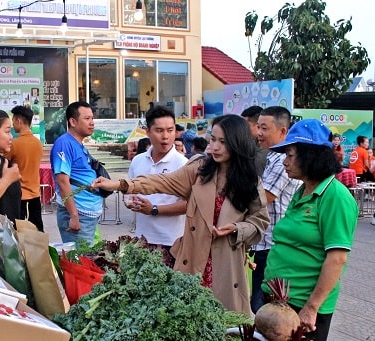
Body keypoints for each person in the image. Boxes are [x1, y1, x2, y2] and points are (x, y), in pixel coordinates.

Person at [92, 114, 269, 315]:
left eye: (223, 142)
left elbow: (260, 219)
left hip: (227, 263)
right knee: (187, 316)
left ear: (238, 143)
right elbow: (161, 182)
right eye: (213, 140)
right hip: (193, 259)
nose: (215, 147)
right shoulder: (199, 170)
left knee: (224, 324)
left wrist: (237, 229)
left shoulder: (249, 181)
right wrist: (120, 185)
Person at [263, 119, 358, 341]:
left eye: (291, 155)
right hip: (280, 303)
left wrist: (311, 307)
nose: (285, 161)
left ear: (312, 156)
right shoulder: (302, 191)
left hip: (302, 308)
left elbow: (337, 259)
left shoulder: (335, 197)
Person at [250, 106, 302, 313]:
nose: (259, 133)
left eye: (264, 128)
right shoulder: (271, 158)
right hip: (262, 243)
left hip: (272, 245)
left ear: (282, 131)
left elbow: (264, 197)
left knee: (263, 308)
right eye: (258, 127)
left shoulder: (282, 162)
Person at [126, 105, 188, 251]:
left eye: (170, 130)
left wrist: (154, 209)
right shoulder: (138, 160)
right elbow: (130, 192)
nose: (165, 136)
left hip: (172, 241)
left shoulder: (184, 164)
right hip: (142, 239)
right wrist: (130, 202)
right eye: (159, 130)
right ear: (148, 131)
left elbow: (190, 204)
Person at [50, 101, 103, 245]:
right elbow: (62, 181)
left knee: (88, 259)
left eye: (92, 118)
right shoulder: (64, 144)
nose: (92, 122)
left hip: (87, 214)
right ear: (73, 121)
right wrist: (73, 216)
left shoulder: (78, 144)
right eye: (87, 119)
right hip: (78, 215)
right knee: (80, 262)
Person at [6, 105, 44, 231]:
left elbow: (4, 165)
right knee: (37, 230)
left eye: (13, 121)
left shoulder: (14, 145)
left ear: (18, 121)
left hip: (19, 196)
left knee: (19, 231)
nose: (12, 125)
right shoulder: (38, 143)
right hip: (35, 193)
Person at [241, 105, 268, 175]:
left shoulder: (268, 150)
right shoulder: (251, 143)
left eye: (246, 125)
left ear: (258, 125)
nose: (242, 129)